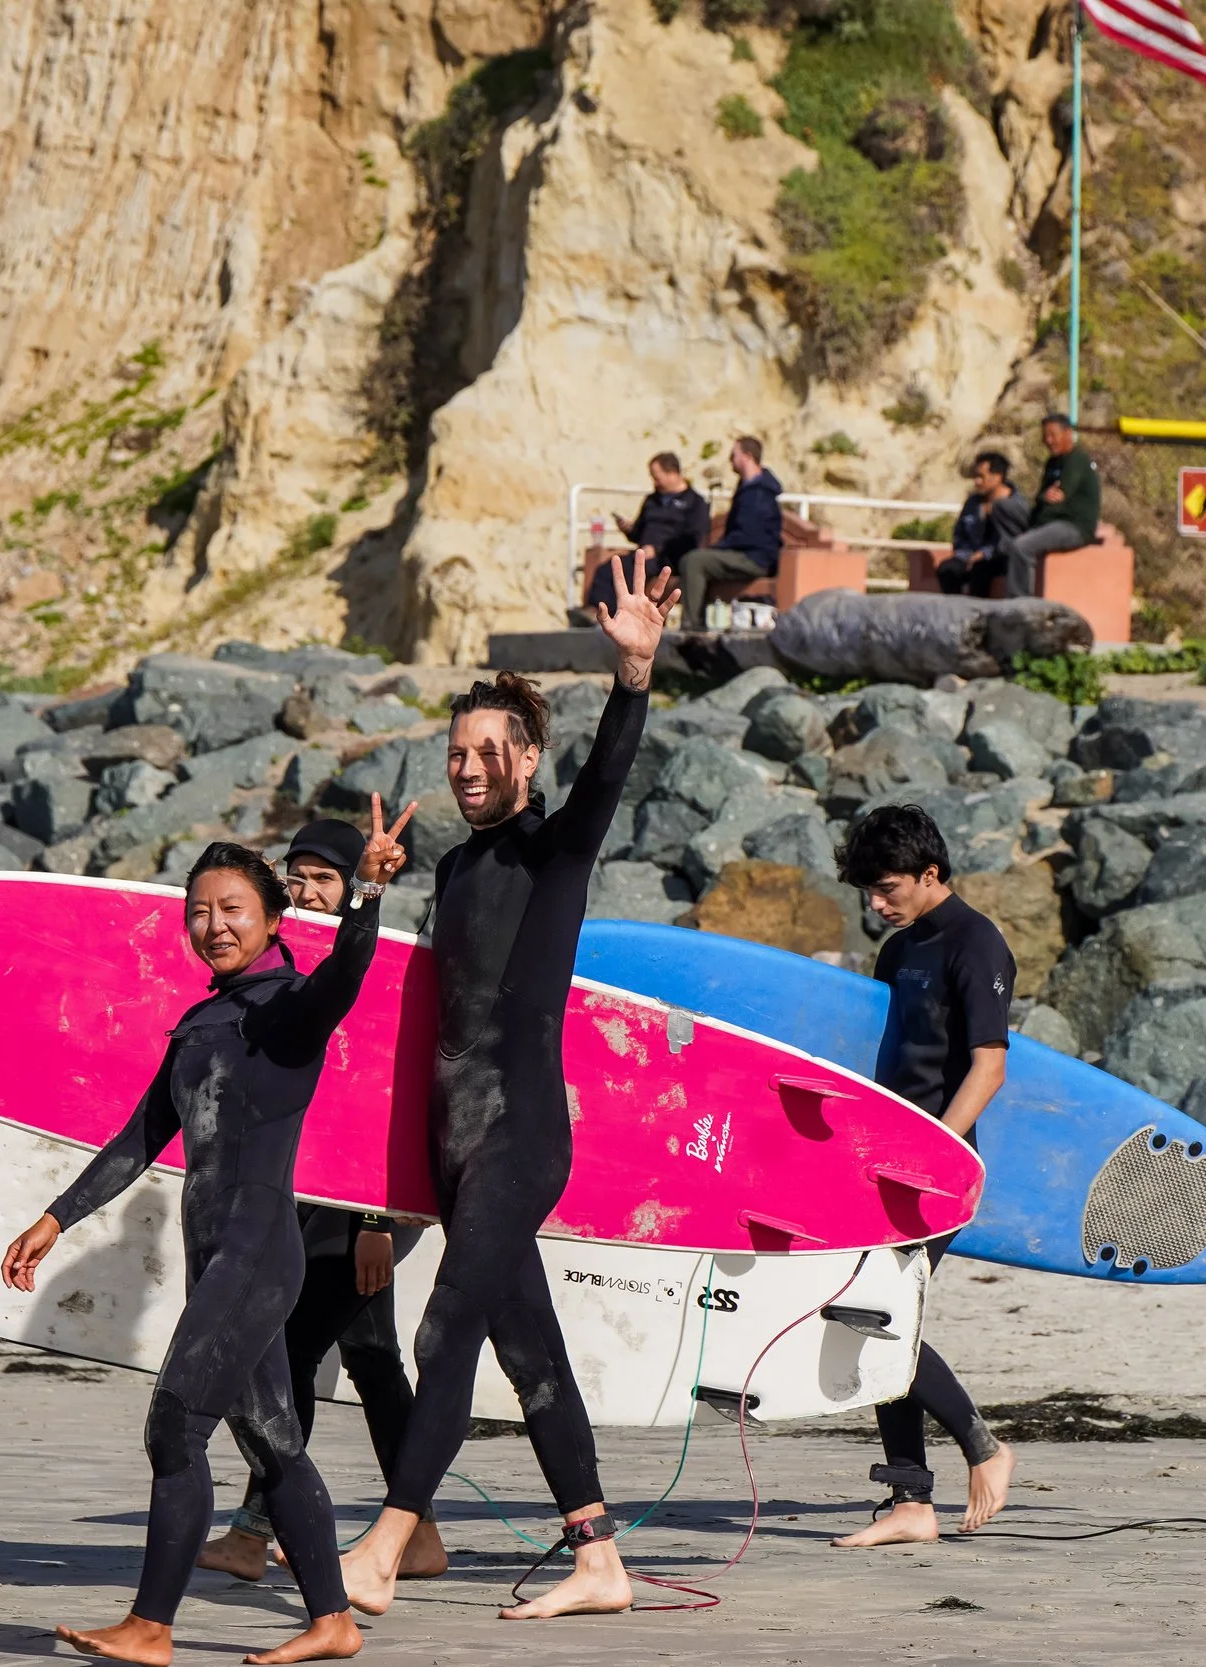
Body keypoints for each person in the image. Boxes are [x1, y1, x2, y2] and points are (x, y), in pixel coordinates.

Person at [339, 547, 676, 1621]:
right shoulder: (451, 868)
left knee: (442, 1332)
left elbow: (608, 780)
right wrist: (365, 894)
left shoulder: (550, 853)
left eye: (490, 750)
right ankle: (597, 1557)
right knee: (527, 1350)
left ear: (528, 760)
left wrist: (632, 677)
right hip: (452, 1139)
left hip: (521, 1134)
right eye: (456, 750)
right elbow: (414, 1027)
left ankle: (388, 1543)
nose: (469, 765)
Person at [1, 799, 417, 1666]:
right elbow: (138, 1135)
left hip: (258, 1251)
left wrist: (367, 896)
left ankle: (152, 1624)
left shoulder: (288, 1010)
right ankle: (334, 1621)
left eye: (232, 909)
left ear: (271, 919)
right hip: (222, 1255)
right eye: (199, 910)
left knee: (174, 1425)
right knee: (273, 1438)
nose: (213, 924)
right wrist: (54, 1218)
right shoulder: (198, 1026)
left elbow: (346, 976)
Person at [197, 817, 450, 1588]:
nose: (308, 889)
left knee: (295, 1349)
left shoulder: (365, 967)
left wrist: (377, 1220)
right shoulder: (284, 967)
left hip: (368, 1205)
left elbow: (385, 1098)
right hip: (313, 1193)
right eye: (297, 875)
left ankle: (251, 1530)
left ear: (352, 891)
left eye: (325, 879)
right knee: (372, 1356)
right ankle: (422, 1534)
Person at [830, 803, 1019, 1550]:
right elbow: (891, 1059)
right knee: (867, 1313)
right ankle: (909, 1499)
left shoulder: (979, 945)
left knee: (882, 1314)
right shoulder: (899, 950)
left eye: (886, 888)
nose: (876, 905)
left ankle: (984, 1447)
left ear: (930, 872)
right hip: (885, 1160)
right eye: (868, 893)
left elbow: (990, 1065)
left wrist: (936, 1150)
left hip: (939, 1168)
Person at [584, 451, 710, 616]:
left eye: (657, 477)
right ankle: (596, 611)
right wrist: (628, 529)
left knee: (632, 572)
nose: (654, 482)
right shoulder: (652, 500)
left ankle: (617, 616)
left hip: (669, 558)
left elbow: (693, 538)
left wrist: (657, 550)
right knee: (607, 568)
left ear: (672, 473)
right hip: (643, 554)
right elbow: (638, 533)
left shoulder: (695, 502)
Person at [677, 435, 783, 629]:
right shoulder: (749, 488)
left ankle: (690, 627)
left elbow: (749, 536)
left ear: (747, 457)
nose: (730, 459)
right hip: (745, 554)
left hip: (754, 558)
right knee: (697, 559)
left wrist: (719, 547)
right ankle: (699, 622)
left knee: (693, 562)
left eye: (734, 454)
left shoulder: (759, 493)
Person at [994, 412, 1102, 599]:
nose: (1048, 440)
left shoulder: (1077, 459)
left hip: (1071, 526)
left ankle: (1020, 601)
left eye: (1053, 435)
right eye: (1045, 436)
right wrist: (1045, 497)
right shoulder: (1052, 462)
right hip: (1045, 520)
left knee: (1022, 547)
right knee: (1002, 508)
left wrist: (1047, 499)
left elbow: (1060, 496)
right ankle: (1010, 550)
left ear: (1068, 433)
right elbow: (1043, 496)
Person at [936, 451, 1028, 597]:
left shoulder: (1015, 505)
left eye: (981, 477)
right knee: (948, 570)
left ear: (997, 476)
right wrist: (965, 555)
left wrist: (984, 554)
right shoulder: (973, 502)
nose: (977, 482)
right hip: (970, 556)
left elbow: (1012, 540)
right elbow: (960, 534)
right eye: (975, 477)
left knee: (981, 570)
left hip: (1000, 558)